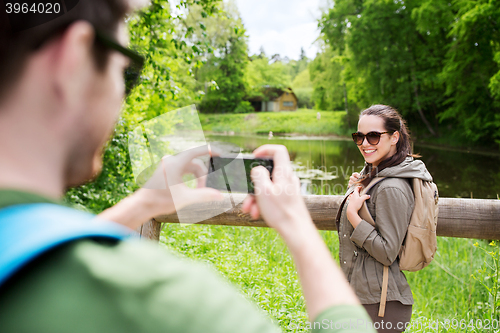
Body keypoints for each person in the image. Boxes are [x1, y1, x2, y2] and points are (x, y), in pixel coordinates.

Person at [0, 0, 376, 332]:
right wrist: (297, 226)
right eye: (125, 72)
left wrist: (144, 203)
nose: (121, 93)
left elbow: (26, 247)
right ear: (73, 61)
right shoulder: (170, 306)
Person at [338, 104, 434, 332]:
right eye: (359, 137)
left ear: (394, 137)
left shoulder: (392, 187)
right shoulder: (375, 175)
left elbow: (387, 251)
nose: (364, 143)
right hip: (362, 298)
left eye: (373, 136)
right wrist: (357, 186)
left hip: (380, 308)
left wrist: (354, 217)